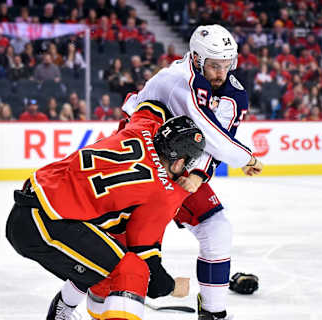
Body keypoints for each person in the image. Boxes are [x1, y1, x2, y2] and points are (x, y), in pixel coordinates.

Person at [6, 100, 206, 320]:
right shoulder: (164, 192)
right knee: (132, 269)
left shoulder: (142, 128)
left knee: (102, 259)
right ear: (179, 163)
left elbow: (151, 104)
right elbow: (146, 259)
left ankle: (61, 312)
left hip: (30, 205)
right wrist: (171, 287)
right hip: (46, 223)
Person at [116, 24, 263, 320]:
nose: (222, 73)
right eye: (214, 65)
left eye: (227, 65)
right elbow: (213, 137)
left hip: (177, 167)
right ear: (196, 59)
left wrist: (198, 175)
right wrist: (245, 157)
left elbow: (214, 139)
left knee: (217, 228)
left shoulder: (233, 93)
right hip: (139, 165)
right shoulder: (177, 80)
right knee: (116, 241)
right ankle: (73, 304)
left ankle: (213, 311)